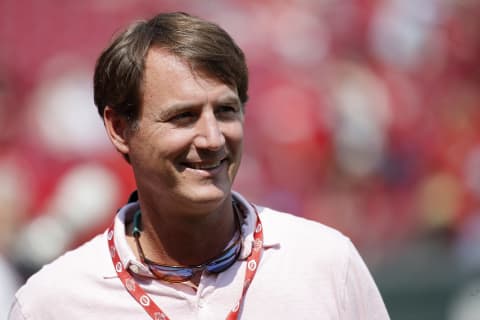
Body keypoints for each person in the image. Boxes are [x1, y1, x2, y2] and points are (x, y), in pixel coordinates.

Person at [9, 12, 390, 319]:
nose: (213, 138)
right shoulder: (52, 304)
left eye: (226, 111)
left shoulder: (326, 264)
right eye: (183, 116)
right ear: (120, 128)